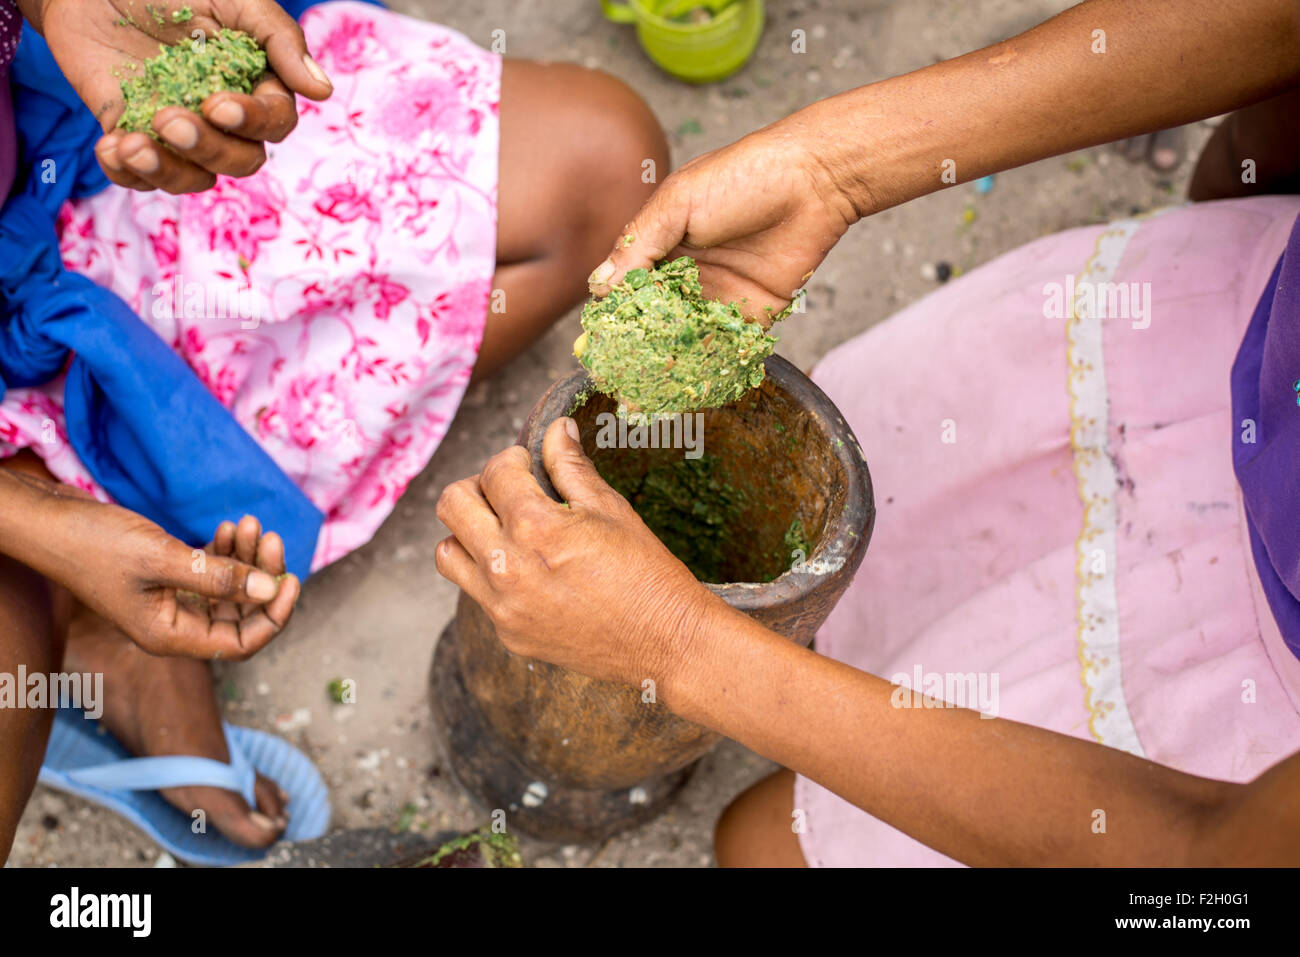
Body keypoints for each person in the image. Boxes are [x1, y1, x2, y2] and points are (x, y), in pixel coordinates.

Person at [434, 0, 1300, 865]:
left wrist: (680, 645)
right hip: (1237, 360)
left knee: (755, 845)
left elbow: (1207, 865)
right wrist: (834, 169)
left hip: (1240, 711)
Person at [0, 0, 667, 858]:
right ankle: (86, 603)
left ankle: (109, 543)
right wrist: (43, 529)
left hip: (71, 154)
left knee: (607, 171)